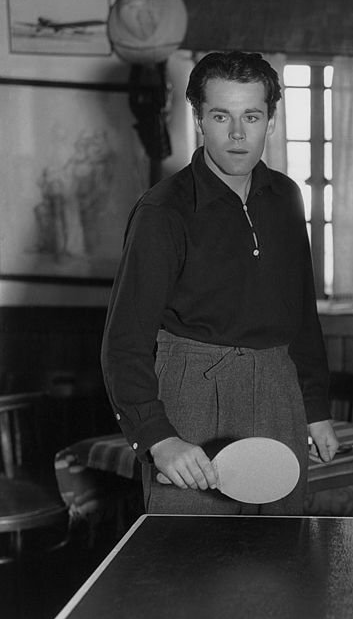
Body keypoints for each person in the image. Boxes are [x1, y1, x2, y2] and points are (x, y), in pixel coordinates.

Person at [101, 51, 339, 516]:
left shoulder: (286, 196)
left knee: (280, 563)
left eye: (251, 116)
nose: (236, 133)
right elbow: (124, 342)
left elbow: (302, 318)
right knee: (188, 568)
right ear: (199, 119)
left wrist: (316, 408)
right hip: (190, 398)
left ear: (270, 121)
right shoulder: (162, 211)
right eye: (220, 116)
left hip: (278, 394)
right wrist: (157, 436)